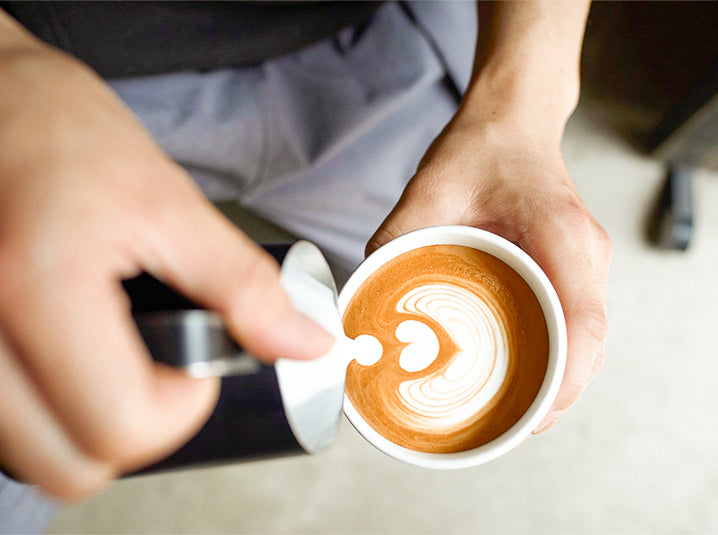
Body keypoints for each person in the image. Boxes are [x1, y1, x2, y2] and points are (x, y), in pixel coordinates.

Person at [0, 0, 611, 524]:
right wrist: (13, 71)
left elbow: (518, 111)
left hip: (363, 40)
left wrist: (522, 105)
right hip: (65, 64)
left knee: (499, 240)